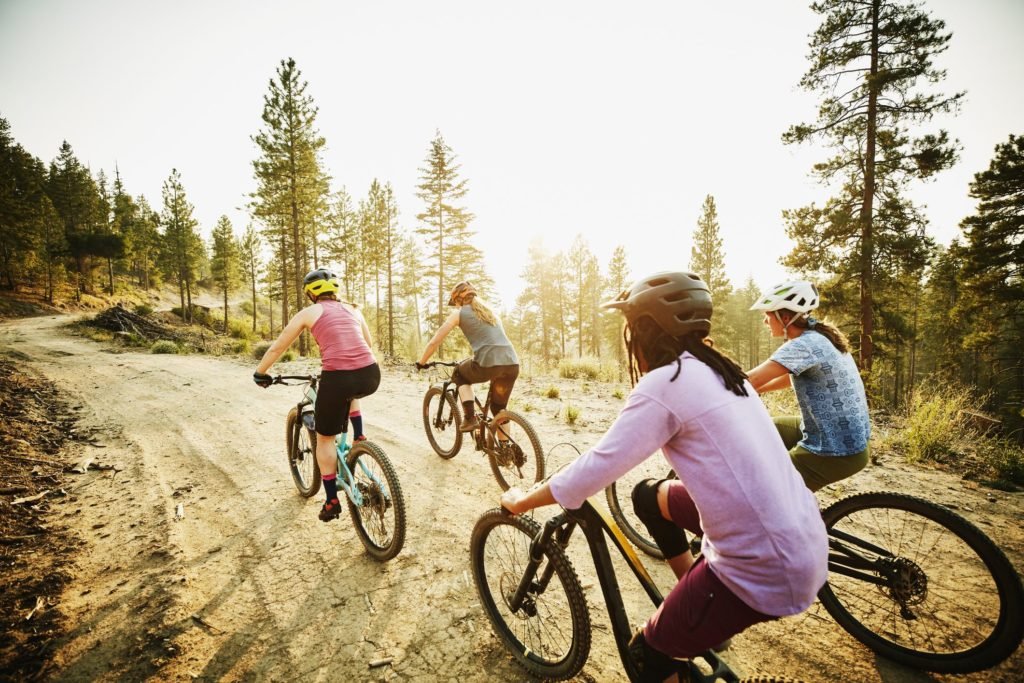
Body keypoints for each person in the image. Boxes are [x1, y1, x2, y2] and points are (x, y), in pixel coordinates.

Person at [499, 271, 827, 682]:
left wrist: (523, 500)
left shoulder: (665, 383)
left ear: (644, 330)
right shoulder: (719, 369)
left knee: (647, 656)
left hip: (766, 566)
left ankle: (695, 615)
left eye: (631, 328)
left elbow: (593, 470)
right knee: (647, 496)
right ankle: (696, 602)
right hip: (803, 537)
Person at [253, 268, 380, 522]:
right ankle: (359, 435)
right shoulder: (354, 309)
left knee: (324, 439)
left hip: (338, 378)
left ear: (311, 293)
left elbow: (279, 346)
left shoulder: (309, 313)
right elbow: (366, 344)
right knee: (351, 388)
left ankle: (332, 500)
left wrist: (261, 372)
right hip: (371, 374)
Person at [746, 280, 871, 492]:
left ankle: (785, 505)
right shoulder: (819, 336)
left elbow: (750, 379)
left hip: (835, 451)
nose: (765, 321)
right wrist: (757, 389)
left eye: (767, 315)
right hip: (848, 439)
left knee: (763, 490)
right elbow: (788, 377)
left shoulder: (802, 345)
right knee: (760, 428)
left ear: (785, 318)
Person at [416, 281, 519, 434]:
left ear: (459, 299)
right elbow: (492, 341)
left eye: (456, 303)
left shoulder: (459, 314)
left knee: (459, 373)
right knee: (498, 409)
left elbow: (435, 341)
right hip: (512, 363)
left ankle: (470, 418)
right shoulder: (491, 313)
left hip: (488, 364)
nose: (456, 306)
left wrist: (421, 362)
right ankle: (505, 447)